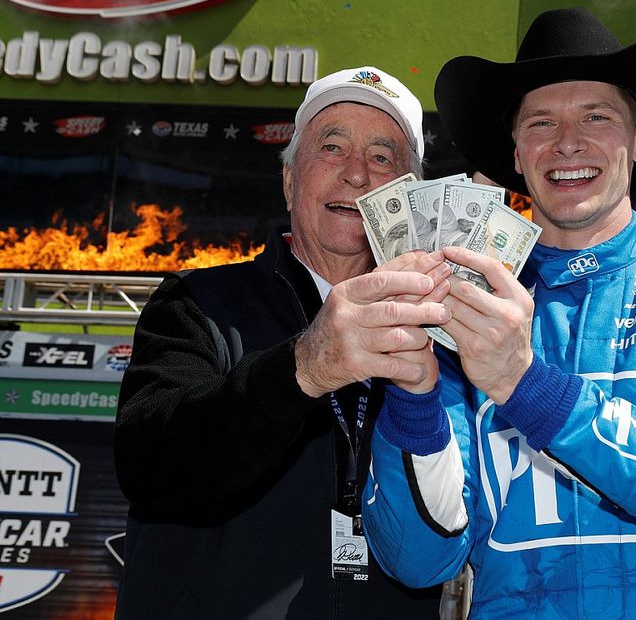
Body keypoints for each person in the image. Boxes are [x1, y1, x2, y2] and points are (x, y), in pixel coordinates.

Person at [361, 7, 636, 618]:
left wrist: (525, 383)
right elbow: (418, 560)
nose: (568, 142)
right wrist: (412, 395)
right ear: (516, 152)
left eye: (596, 116)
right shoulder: (459, 310)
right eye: (541, 122)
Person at [112, 65, 453, 618]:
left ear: (411, 196)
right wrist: (303, 368)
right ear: (290, 179)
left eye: (384, 157)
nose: (358, 175)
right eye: (333, 148)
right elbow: (150, 466)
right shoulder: (197, 303)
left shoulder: (442, 330)